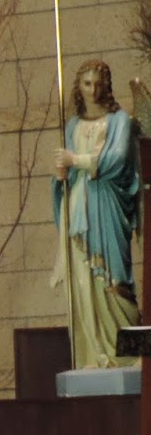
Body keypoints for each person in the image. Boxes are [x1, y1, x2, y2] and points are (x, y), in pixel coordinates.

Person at [53, 58, 141, 369]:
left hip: (107, 205)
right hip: (78, 208)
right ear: (78, 87)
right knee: (83, 280)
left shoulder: (120, 121)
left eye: (99, 83)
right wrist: (61, 174)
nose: (94, 90)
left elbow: (117, 159)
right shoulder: (72, 126)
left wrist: (75, 159)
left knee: (114, 277)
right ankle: (93, 354)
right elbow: (64, 175)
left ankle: (127, 357)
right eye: (87, 83)